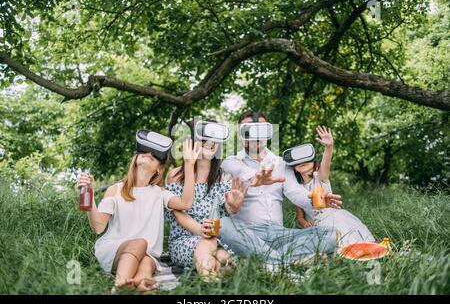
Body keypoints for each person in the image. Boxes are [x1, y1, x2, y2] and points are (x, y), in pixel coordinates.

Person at [77, 132, 200, 292]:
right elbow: (98, 227)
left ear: (159, 169)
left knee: (147, 263)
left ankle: (141, 285)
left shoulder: (160, 193)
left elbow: (186, 203)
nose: (148, 154)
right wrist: (89, 197)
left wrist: (189, 166)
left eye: (155, 155)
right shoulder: (115, 190)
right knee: (140, 243)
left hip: (146, 254)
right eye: (144, 151)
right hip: (114, 250)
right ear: (135, 159)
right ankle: (119, 286)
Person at [219, 111, 343, 269]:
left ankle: (263, 261)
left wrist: (314, 199)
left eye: (261, 130)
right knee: (223, 224)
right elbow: (245, 173)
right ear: (241, 135)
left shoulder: (281, 163)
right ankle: (286, 263)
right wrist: (255, 179)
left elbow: (296, 194)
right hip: (247, 233)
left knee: (330, 234)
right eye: (248, 130)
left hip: (281, 235)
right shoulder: (230, 162)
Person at [165, 120, 248, 281]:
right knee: (206, 244)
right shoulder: (175, 175)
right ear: (193, 141)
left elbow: (228, 211)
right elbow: (177, 212)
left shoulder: (224, 176)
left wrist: (234, 206)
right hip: (184, 240)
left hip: (216, 239)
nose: (210, 142)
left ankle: (215, 277)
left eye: (214, 139)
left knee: (223, 256)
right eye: (204, 137)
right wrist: (199, 230)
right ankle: (208, 282)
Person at [290, 125, 375, 245]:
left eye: (306, 159)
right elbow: (300, 216)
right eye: (297, 161)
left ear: (315, 164)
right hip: (315, 227)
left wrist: (329, 147)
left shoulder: (319, 177)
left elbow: (326, 164)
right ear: (293, 168)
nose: (302, 162)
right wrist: (303, 222)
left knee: (347, 241)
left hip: (334, 220)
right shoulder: (297, 190)